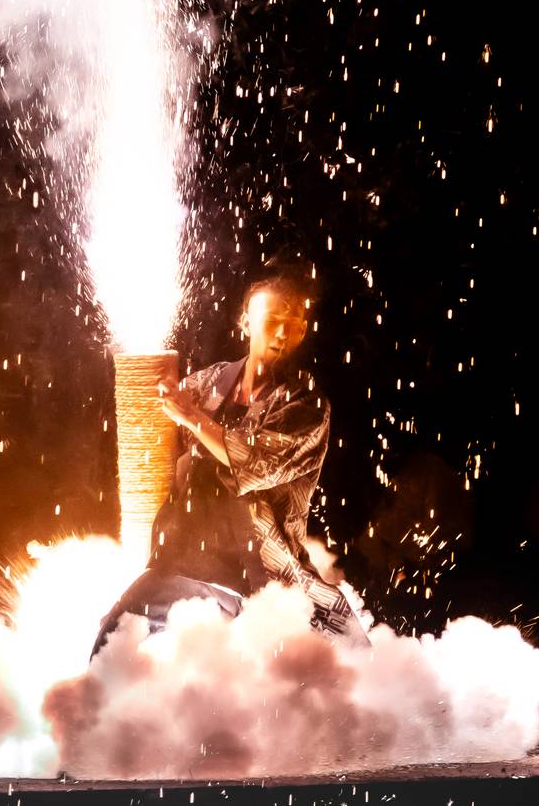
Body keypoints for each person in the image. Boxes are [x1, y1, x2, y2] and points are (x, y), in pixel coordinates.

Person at [93, 271, 365, 655]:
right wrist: (154, 391)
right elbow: (161, 421)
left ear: (304, 330)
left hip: (258, 578)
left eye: (293, 324)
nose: (282, 333)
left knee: (304, 677)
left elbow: (253, 462)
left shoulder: (306, 406)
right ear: (246, 322)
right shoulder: (212, 381)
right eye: (271, 321)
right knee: (116, 638)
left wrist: (191, 418)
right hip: (183, 562)